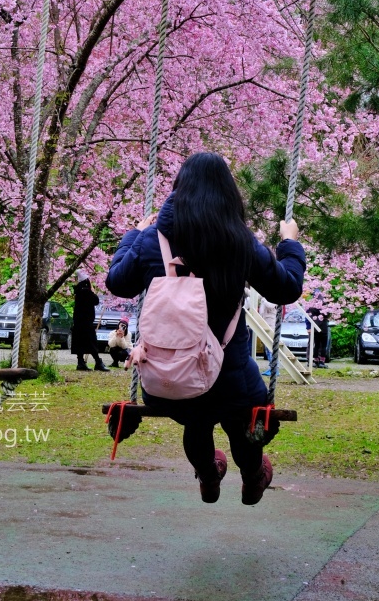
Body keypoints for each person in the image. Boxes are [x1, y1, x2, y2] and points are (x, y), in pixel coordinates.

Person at [106, 152, 306, 505]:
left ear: (177, 192)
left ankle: (208, 473)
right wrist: (289, 242)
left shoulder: (154, 239)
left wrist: (133, 234)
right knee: (241, 420)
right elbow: (286, 287)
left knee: (195, 419)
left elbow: (118, 281)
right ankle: (253, 476)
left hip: (169, 379)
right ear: (229, 195)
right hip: (231, 375)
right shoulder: (239, 241)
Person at [72, 270, 108, 372]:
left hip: (78, 321)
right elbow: (96, 301)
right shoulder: (86, 291)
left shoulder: (78, 291)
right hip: (86, 322)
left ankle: (80, 362)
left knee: (80, 341)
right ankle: (98, 362)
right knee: (91, 342)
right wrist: (92, 291)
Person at [306, 291, 330, 368]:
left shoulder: (311, 306)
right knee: (323, 345)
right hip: (323, 327)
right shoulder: (325, 305)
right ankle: (322, 361)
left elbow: (308, 316)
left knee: (315, 345)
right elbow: (328, 314)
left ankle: (315, 360)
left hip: (315, 327)